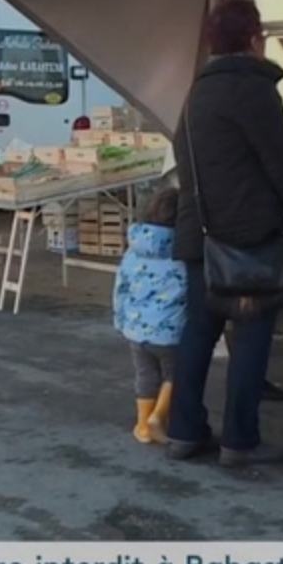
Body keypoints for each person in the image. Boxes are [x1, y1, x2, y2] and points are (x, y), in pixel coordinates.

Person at [167, 0, 283, 467]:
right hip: (246, 238)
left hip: (199, 235)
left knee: (197, 336)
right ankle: (239, 441)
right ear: (253, 39)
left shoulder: (196, 93)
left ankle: (183, 431)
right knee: (250, 341)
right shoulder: (253, 92)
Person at [113, 187, 186, 445]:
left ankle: (142, 425)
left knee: (145, 375)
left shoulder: (133, 251)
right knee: (176, 374)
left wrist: (120, 320)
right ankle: (159, 416)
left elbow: (120, 287)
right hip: (171, 331)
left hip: (135, 327)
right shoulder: (183, 252)